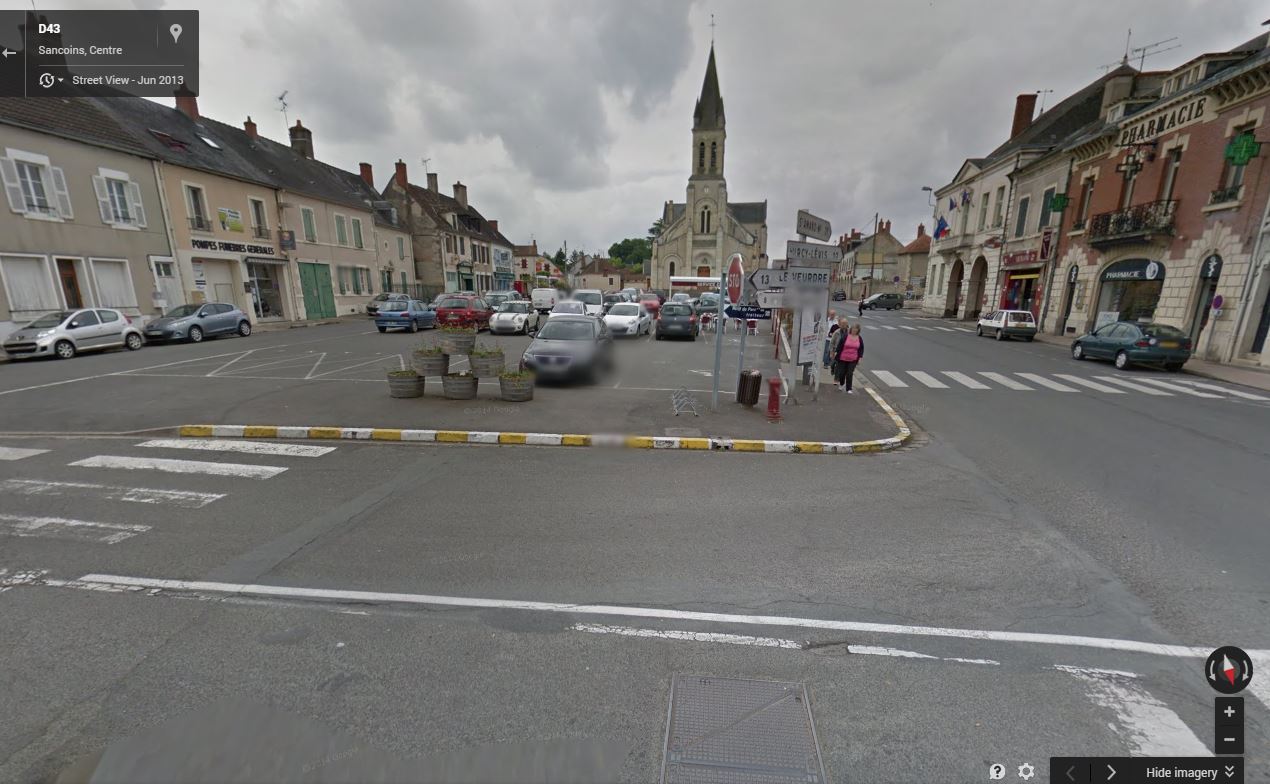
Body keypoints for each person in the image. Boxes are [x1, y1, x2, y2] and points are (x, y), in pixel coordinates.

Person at [834, 323, 864, 394]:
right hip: (843, 357)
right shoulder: (845, 336)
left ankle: (849, 388)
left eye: (856, 329)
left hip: (853, 358)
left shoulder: (859, 338)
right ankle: (841, 383)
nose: (854, 330)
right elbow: (840, 345)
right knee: (842, 373)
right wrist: (836, 352)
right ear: (851, 329)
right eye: (853, 329)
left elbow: (861, 348)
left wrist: (860, 357)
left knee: (849, 373)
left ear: (858, 330)